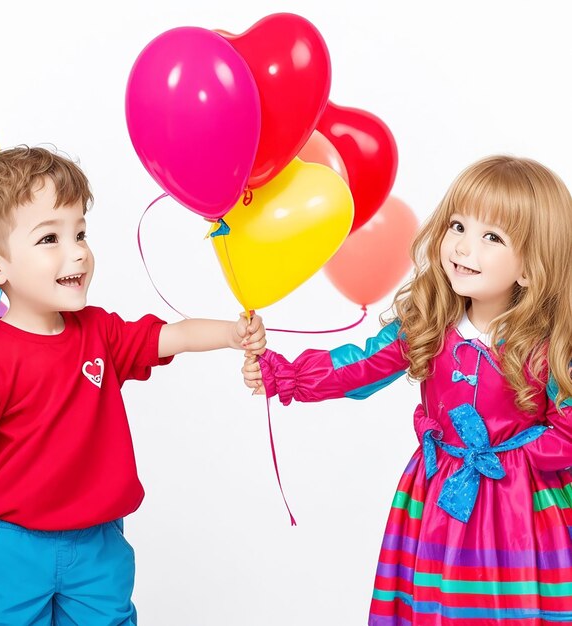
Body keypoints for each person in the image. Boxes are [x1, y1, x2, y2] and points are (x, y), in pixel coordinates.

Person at [243, 155, 572, 624]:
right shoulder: (430, 321)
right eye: (458, 226)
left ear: (530, 267)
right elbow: (360, 365)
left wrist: (513, 461)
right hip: (436, 495)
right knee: (435, 603)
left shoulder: (545, 344)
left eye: (491, 237)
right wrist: (285, 375)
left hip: (518, 509)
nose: (463, 247)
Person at [0, 146, 266, 625]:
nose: (77, 251)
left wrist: (230, 333)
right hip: (11, 545)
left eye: (80, 233)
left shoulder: (98, 331)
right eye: (49, 238)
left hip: (97, 545)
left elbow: (169, 337)